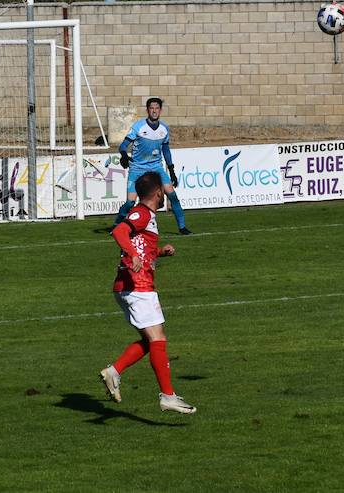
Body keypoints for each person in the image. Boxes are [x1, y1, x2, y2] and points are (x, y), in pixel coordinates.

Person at [99, 172, 196, 414]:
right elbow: (120, 231)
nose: (164, 193)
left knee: (151, 340)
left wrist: (160, 251)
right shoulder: (141, 212)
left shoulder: (147, 216)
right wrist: (132, 255)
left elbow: (141, 244)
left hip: (132, 285)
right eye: (163, 190)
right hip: (137, 285)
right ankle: (168, 396)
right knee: (158, 339)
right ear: (157, 193)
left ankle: (114, 371)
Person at [115, 97, 190, 235]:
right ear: (147, 110)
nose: (154, 111)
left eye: (156, 108)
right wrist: (124, 155)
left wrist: (172, 170)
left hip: (156, 167)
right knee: (130, 203)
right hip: (137, 168)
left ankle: (182, 227)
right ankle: (117, 225)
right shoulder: (138, 127)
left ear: (160, 110)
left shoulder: (164, 129)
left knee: (172, 195)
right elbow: (123, 146)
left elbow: (166, 150)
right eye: (151, 108)